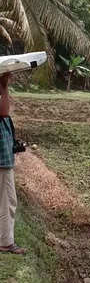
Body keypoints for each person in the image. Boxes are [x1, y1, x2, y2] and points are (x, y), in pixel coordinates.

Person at [0, 73, 26, 254]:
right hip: (1, 160)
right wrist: (4, 85)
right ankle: (6, 242)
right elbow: (3, 112)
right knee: (8, 200)